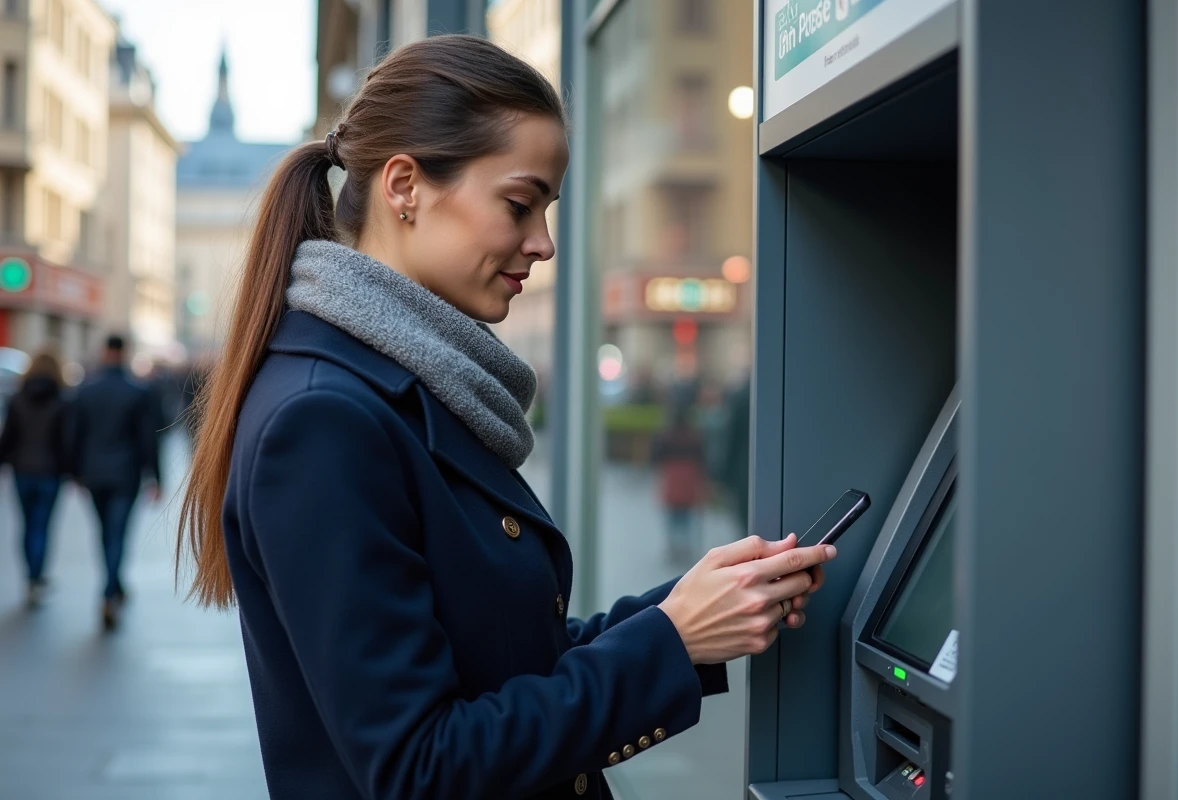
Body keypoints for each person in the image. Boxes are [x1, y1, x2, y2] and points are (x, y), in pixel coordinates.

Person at [176, 35, 837, 800]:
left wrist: (690, 607)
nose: (544, 244)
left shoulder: (406, 382)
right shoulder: (325, 419)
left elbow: (509, 660)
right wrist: (671, 640)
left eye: (547, 211)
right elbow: (420, 767)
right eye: (520, 205)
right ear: (405, 186)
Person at [71, 334, 161, 630]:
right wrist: (156, 476)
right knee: (118, 532)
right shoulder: (138, 391)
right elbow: (149, 439)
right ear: (124, 353)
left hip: (94, 472)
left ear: (104, 351)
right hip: (126, 473)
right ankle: (110, 592)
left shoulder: (87, 390)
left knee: (104, 532)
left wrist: (75, 472)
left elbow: (76, 435)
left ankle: (113, 586)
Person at [0, 352, 71, 607]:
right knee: (42, 526)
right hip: (49, 473)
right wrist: (70, 470)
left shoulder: (17, 399)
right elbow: (66, 442)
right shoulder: (61, 400)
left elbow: (8, 437)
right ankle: (36, 577)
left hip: (22, 471)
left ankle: (30, 576)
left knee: (27, 525)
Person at [651, 403, 708, 564]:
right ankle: (685, 545)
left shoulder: (665, 435)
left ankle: (673, 546)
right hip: (690, 476)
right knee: (687, 514)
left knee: (672, 514)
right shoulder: (694, 436)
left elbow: (656, 457)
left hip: (672, 476)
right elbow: (703, 458)